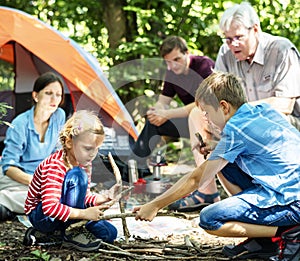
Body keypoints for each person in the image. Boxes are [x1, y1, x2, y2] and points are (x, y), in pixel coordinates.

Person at [134, 71, 300, 260]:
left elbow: (197, 179)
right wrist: (215, 148)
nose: (205, 118)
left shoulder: (236, 129)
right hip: (291, 188)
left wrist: (155, 205)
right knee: (226, 165)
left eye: (206, 112)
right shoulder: (262, 109)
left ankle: (289, 232)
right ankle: (262, 241)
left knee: (210, 219)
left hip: (292, 202)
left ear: (224, 107)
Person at [129, 36, 220, 212]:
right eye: (168, 62)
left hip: (210, 119)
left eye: (177, 59)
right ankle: (136, 167)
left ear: (187, 53)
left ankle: (207, 191)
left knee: (194, 114)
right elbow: (163, 101)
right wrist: (155, 112)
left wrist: (167, 114)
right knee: (153, 123)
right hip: (188, 120)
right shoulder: (171, 72)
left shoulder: (203, 66)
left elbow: (202, 103)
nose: (173, 66)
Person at [23, 110, 119, 251]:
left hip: (68, 214)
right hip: (43, 216)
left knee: (109, 233)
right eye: (88, 148)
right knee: (77, 175)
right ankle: (67, 232)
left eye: (96, 149)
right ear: (69, 142)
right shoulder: (55, 165)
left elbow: (83, 198)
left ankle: (50, 235)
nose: (93, 154)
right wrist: (84, 214)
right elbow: (49, 207)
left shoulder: (85, 163)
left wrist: (105, 197)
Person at [215, 1, 300, 130]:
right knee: (200, 116)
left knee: (270, 120)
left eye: (239, 37)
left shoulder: (282, 50)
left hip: (287, 125)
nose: (233, 44)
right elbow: (218, 99)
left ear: (255, 30)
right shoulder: (225, 53)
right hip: (242, 123)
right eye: (228, 39)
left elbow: (285, 105)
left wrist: (240, 111)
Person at [0, 72, 66, 221]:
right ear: (36, 96)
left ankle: (10, 204)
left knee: (60, 192)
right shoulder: (20, 124)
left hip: (41, 177)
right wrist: (36, 181)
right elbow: (8, 167)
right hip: (16, 175)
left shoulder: (59, 115)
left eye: (58, 94)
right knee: (51, 197)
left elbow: (59, 153)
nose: (54, 99)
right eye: (48, 93)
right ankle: (6, 201)